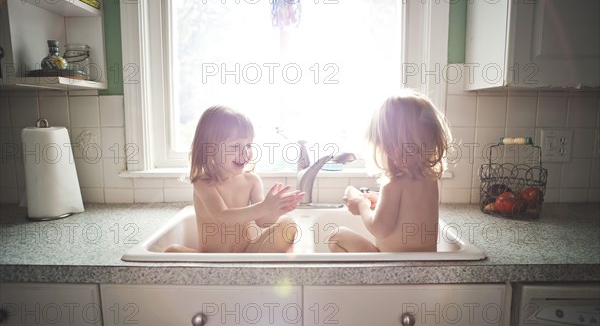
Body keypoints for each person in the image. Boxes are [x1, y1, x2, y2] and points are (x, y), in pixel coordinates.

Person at [165, 106, 305, 253]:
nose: (244, 153)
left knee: (287, 224)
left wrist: (275, 211)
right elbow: (222, 217)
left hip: (246, 256)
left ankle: (252, 269)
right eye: (235, 146)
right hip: (211, 260)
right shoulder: (203, 182)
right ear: (210, 149)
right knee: (172, 251)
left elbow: (262, 222)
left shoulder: (252, 181)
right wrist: (264, 206)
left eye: (248, 145)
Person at [329, 90, 452, 253]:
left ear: (389, 146)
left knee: (337, 236)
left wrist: (362, 206)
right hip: (424, 269)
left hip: (391, 268)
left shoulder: (393, 182)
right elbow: (410, 210)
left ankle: (359, 279)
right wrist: (379, 200)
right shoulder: (428, 179)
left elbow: (379, 229)